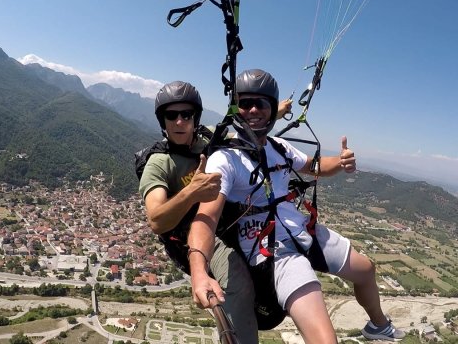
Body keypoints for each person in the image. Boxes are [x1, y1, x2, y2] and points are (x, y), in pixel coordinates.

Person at [187, 69, 405, 343]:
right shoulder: (226, 160)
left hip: (301, 230)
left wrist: (340, 162)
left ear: (272, 108)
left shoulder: (279, 147)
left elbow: (314, 166)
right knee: (325, 340)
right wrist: (198, 271)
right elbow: (206, 217)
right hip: (272, 250)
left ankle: (378, 325)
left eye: (261, 104)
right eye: (245, 103)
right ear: (236, 108)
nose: (253, 109)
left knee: (365, 270)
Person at [138, 80, 293, 344]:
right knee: (238, 283)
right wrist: (191, 193)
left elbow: (242, 129)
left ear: (195, 117)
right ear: (162, 120)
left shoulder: (209, 138)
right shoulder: (159, 163)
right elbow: (156, 220)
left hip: (227, 218)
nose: (178, 122)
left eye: (185, 114)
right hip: (193, 234)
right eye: (171, 115)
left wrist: (275, 111)